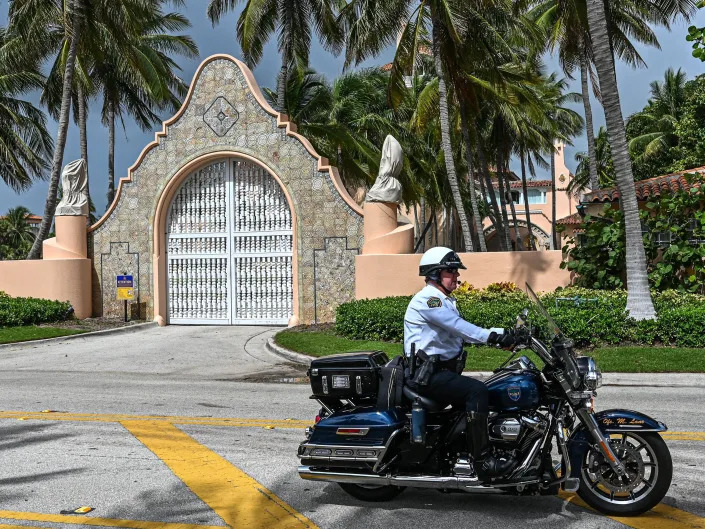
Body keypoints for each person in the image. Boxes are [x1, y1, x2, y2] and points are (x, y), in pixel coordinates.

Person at [403, 246, 518, 479]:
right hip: (428, 376)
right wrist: (494, 337)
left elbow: (462, 329)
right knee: (476, 391)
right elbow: (461, 329)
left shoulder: (443, 300)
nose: (457, 276)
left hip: (440, 373)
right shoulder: (429, 301)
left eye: (456, 271)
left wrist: (510, 333)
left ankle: (462, 450)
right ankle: (483, 462)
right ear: (435, 274)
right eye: (451, 271)